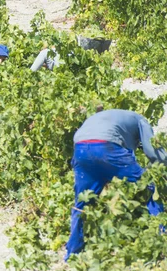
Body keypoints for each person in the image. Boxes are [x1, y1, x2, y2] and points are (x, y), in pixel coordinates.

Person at [65, 109, 166, 260]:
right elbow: (153, 152)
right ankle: (163, 235)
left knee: (83, 201)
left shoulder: (111, 118)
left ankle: (72, 252)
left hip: (81, 148)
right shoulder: (141, 120)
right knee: (149, 186)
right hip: (106, 146)